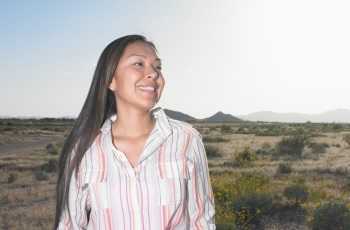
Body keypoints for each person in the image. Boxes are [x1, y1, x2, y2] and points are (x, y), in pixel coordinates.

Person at [54, 34, 215, 230]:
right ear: (111, 80)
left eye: (157, 67)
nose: (153, 73)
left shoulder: (187, 139)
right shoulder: (85, 149)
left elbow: (202, 220)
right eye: (138, 64)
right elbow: (69, 225)